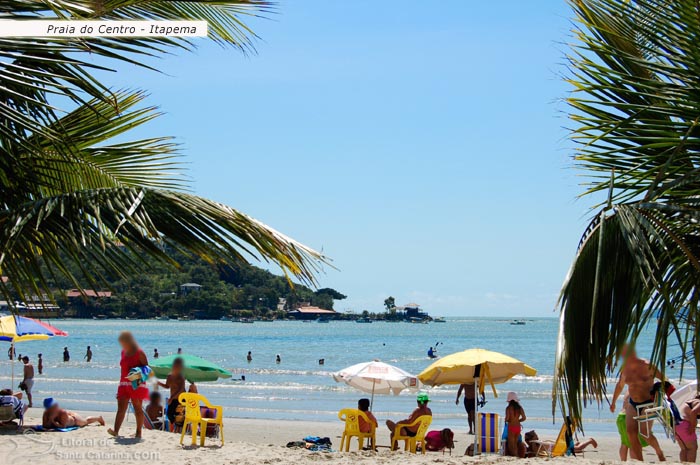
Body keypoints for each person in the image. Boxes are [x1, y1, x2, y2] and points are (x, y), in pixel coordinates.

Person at [610, 345, 666, 461]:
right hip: (633, 403)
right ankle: (640, 461)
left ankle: (659, 453)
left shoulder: (648, 366)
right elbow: (620, 386)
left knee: (644, 433)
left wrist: (663, 397)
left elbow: (665, 380)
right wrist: (613, 402)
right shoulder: (625, 369)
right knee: (631, 432)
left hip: (648, 403)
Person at [108, 331, 148, 438]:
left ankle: (139, 432)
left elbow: (146, 368)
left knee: (137, 407)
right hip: (124, 383)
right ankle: (116, 431)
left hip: (136, 383)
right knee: (121, 408)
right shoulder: (123, 352)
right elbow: (123, 369)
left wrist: (136, 375)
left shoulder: (139, 352)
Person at [158, 356, 186, 429]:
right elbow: (167, 386)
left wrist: (172, 397)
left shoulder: (181, 376)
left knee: (180, 416)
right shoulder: (169, 376)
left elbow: (181, 389)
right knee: (169, 414)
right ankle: (174, 427)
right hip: (173, 399)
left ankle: (178, 429)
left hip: (181, 399)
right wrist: (159, 383)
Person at [675, 393, 700, 463]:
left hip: (676, 425)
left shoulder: (691, 401)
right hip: (684, 425)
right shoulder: (698, 402)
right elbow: (694, 412)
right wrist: (692, 427)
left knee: (684, 449)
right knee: (692, 448)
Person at [505, 391, 526, 458]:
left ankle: (515, 456)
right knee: (515, 442)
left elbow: (507, 418)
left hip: (511, 426)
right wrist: (518, 420)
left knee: (511, 444)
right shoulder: (520, 408)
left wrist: (506, 420)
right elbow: (524, 418)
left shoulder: (508, 408)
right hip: (517, 426)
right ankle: (516, 455)